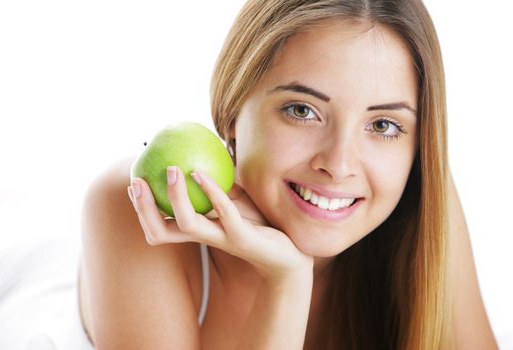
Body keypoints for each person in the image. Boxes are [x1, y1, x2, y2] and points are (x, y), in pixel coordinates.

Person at [79, 0, 498, 348]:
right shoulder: (141, 203)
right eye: (302, 110)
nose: (338, 164)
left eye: (384, 125)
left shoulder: (424, 203)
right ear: (230, 112)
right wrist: (287, 281)